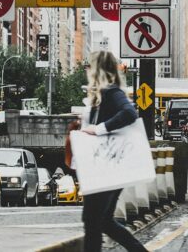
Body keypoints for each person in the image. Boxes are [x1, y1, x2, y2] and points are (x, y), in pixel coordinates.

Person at [79, 51, 148, 252]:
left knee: (92, 220)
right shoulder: (102, 95)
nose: (86, 70)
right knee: (103, 221)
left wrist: (98, 128)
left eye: (89, 65)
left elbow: (129, 113)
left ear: (97, 69)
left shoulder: (111, 92)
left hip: (108, 167)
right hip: (107, 166)